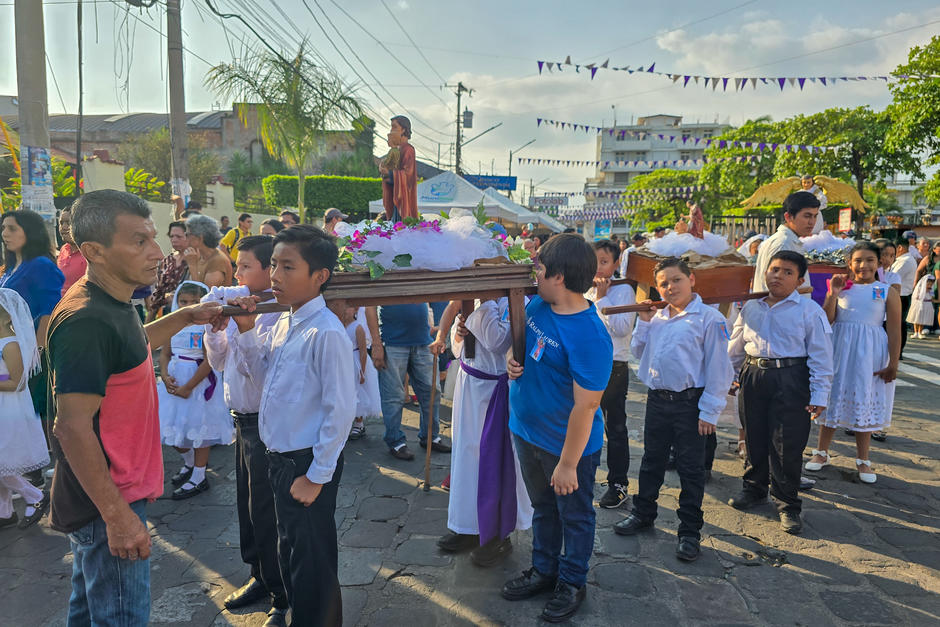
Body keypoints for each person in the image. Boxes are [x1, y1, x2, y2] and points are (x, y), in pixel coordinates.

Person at [47, 189, 221, 625]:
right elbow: (70, 428)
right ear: (94, 252)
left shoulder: (116, 302)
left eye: (153, 237)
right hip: (108, 499)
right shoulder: (87, 319)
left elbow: (131, 349)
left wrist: (185, 316)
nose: (157, 252)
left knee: (89, 614)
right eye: (139, 241)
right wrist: (117, 516)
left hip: (113, 495)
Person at [224, 224, 356, 627]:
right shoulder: (286, 322)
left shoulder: (326, 333)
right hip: (278, 460)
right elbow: (265, 383)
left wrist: (316, 477)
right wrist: (246, 333)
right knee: (290, 551)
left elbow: (341, 412)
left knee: (312, 562)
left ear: (319, 277)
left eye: (288, 267)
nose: (276, 276)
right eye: (274, 266)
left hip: (305, 464)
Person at [500, 233, 612, 623]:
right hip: (526, 430)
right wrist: (516, 359)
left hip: (567, 446)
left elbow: (588, 405)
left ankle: (572, 580)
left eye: (540, 270)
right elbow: (527, 347)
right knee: (543, 508)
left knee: (575, 515)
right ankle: (544, 569)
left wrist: (568, 464)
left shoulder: (590, 335)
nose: (535, 275)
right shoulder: (537, 305)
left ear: (559, 277)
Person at [613, 257, 734, 563]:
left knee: (691, 469)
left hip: (690, 404)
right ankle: (644, 513)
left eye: (676, 280)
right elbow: (640, 352)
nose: (670, 287)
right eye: (663, 283)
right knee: (651, 460)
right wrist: (644, 321)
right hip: (657, 400)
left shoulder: (709, 319)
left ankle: (690, 531)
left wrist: (709, 411)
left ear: (691, 279)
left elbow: (720, 368)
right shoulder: (659, 318)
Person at [203, 234, 289, 625]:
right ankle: (258, 575)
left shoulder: (279, 312)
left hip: (266, 424)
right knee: (248, 509)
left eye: (244, 266)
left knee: (269, 512)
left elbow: (267, 377)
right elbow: (219, 361)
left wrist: (248, 328)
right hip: (240, 421)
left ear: (269, 270)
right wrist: (218, 328)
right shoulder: (238, 304)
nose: (235, 272)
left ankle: (282, 592)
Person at [726, 251, 833, 534]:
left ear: (799, 280)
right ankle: (754, 489)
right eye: (774, 270)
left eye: (787, 272)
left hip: (791, 378)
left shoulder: (810, 311)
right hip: (753, 375)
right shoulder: (750, 307)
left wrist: (820, 395)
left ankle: (787, 503)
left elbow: (822, 357)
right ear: (765, 273)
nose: (778, 276)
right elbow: (736, 344)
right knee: (754, 435)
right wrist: (728, 376)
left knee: (787, 442)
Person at [433, 298, 534, 567]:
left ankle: (498, 535)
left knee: (494, 462)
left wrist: (482, 306)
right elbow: (460, 351)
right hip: (469, 385)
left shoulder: (516, 299)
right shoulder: (472, 300)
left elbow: (498, 342)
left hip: (495, 392)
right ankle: (467, 527)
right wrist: (458, 333)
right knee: (466, 459)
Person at [805, 242, 900, 484]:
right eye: (858, 260)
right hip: (841, 349)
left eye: (870, 260)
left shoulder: (886, 291)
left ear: (879, 263)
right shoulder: (841, 288)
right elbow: (827, 320)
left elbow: (895, 329)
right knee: (832, 396)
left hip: (871, 353)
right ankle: (822, 452)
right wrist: (832, 294)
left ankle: (863, 459)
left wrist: (893, 363)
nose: (864, 265)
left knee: (864, 399)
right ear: (849, 264)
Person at [158, 281, 234, 500]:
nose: (189, 306)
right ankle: (190, 462)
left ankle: (199, 475)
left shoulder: (205, 328)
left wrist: (189, 386)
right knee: (173, 430)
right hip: (174, 382)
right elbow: (165, 353)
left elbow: (209, 360)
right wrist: (164, 374)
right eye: (184, 302)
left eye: (195, 302)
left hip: (197, 383)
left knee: (200, 428)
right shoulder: (173, 325)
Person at [1, 209, 65, 429]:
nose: (5, 233)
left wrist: (38, 351)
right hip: (12, 349)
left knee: (36, 409)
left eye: (12, 228)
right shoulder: (10, 269)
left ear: (29, 231)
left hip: (33, 352)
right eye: (3, 228)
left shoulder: (41, 265)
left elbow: (50, 310)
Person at [587, 239, 636, 509]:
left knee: (615, 427)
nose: (598, 267)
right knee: (582, 422)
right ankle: (584, 473)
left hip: (614, 366)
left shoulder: (623, 290)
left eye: (604, 262)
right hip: (587, 363)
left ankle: (618, 484)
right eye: (594, 261)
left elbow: (621, 329)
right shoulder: (585, 287)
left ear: (616, 263)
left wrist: (603, 299)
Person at [0, 289, 51, 529]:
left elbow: (18, 382)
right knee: (3, 461)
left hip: (8, 408)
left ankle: (35, 495)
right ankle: (5, 511)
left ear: (6, 317)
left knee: (2, 463)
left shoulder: (9, 345)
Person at [376, 303, 451, 460]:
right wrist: (376, 343)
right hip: (392, 341)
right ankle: (395, 441)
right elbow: (370, 306)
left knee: (433, 391)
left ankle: (430, 436)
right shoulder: (380, 276)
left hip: (423, 339)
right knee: (394, 396)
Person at [753, 192, 819, 292]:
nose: (812, 222)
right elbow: (777, 290)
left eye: (815, 216)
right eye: (807, 216)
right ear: (788, 217)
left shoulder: (788, 241)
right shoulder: (783, 244)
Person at [332, 303, 380, 441]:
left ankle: (359, 422)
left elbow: (363, 352)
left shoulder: (358, 328)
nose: (346, 311)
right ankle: (345, 421)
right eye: (344, 307)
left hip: (356, 362)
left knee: (358, 392)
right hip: (344, 363)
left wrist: (362, 371)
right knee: (345, 392)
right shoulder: (339, 326)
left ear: (356, 309)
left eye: (349, 308)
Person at [148, 221, 190, 321]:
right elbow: (158, 291)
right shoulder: (168, 260)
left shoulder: (195, 260)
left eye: (178, 237)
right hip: (164, 313)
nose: (174, 240)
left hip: (185, 314)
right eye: (172, 236)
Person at [380, 115, 417, 221]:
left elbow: (408, 174)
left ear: (403, 129)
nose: (392, 131)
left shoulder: (408, 149)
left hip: (404, 198)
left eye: (394, 127)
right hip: (396, 194)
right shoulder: (397, 149)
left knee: (400, 222)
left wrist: (390, 173)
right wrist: (386, 173)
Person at [183, 214, 232, 288]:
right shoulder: (200, 256)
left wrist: (192, 266)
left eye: (187, 234)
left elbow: (202, 295)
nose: (185, 237)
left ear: (200, 238)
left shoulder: (218, 261)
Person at [892, 236, 918, 357]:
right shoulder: (903, 259)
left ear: (900, 248)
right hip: (900, 295)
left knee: (898, 325)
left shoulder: (905, 261)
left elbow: (892, 277)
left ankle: (898, 351)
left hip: (902, 296)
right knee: (898, 324)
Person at [57, 206, 87, 295]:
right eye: (61, 223)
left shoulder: (89, 253)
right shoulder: (64, 250)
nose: (64, 227)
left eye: (69, 223)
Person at [907, 274, 935, 339]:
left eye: (931, 284)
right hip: (919, 304)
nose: (929, 285)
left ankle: (920, 332)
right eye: (928, 284)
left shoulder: (931, 289)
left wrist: (929, 291)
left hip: (926, 304)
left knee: (923, 319)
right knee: (916, 318)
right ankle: (916, 332)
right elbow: (916, 296)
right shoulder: (919, 288)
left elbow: (932, 297)